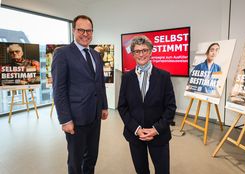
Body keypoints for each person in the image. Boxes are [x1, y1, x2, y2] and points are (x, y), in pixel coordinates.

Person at [51, 15, 108, 174]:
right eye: (81, 30)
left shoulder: (96, 54)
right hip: (75, 119)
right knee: (75, 161)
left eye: (88, 31)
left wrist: (104, 106)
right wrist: (65, 119)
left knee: (92, 156)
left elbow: (99, 83)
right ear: (74, 30)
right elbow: (59, 89)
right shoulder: (62, 54)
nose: (85, 34)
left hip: (95, 116)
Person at [118, 35, 176, 174]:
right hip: (135, 135)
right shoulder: (126, 77)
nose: (141, 54)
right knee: (141, 170)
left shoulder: (164, 76)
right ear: (132, 54)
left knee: (162, 171)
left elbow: (170, 107)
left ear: (150, 51)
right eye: (137, 51)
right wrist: (137, 129)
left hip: (159, 135)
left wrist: (156, 129)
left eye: (144, 50)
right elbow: (122, 107)